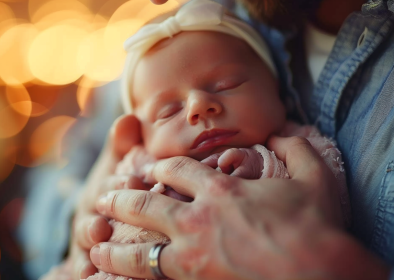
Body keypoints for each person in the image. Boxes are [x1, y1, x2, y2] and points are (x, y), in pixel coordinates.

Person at [38, 0, 394, 279]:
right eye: (167, 111)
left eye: (226, 87)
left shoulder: (289, 148)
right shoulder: (137, 155)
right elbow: (48, 180)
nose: (197, 106)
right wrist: (84, 213)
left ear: (280, 95)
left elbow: (326, 173)